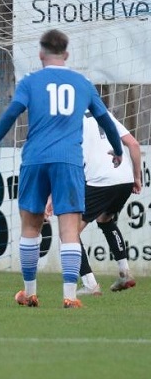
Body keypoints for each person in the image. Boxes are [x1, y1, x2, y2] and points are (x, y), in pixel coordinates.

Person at [0, 29, 123, 309]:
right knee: (69, 228)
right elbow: (105, 120)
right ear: (66, 54)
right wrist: (117, 150)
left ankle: (30, 293)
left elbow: (11, 113)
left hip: (35, 159)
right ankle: (69, 296)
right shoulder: (82, 83)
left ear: (41, 54)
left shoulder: (31, 82)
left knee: (31, 226)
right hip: (68, 160)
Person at [57, 111, 141, 295]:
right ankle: (125, 272)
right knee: (105, 219)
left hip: (101, 180)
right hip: (124, 178)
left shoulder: (70, 120)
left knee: (68, 232)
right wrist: (136, 177)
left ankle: (90, 284)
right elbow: (133, 144)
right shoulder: (105, 115)